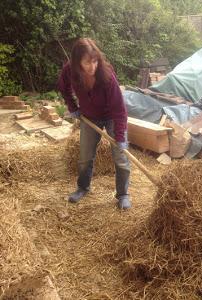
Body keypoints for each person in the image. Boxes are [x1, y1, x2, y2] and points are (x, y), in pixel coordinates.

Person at [57, 38, 131, 210]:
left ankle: (123, 194)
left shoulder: (106, 76)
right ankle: (83, 187)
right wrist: (72, 107)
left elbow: (119, 110)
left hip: (112, 116)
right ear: (77, 62)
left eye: (95, 61)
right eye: (87, 62)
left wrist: (120, 136)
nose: (92, 66)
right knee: (85, 157)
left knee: (121, 158)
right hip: (89, 118)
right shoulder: (70, 70)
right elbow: (63, 87)